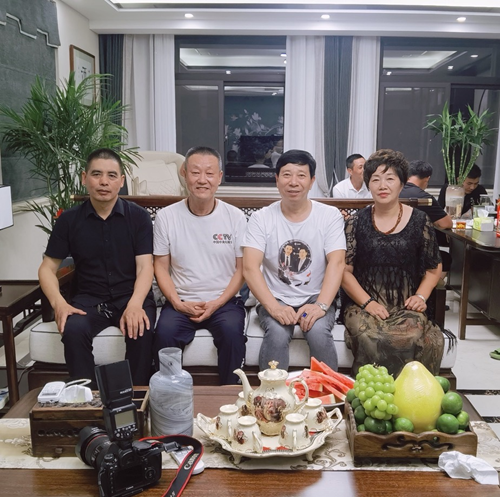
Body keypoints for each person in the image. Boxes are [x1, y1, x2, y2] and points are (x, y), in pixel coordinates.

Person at [38, 148, 156, 387]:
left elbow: (145, 267)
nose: (104, 182)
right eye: (96, 174)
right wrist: (59, 303)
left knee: (141, 329)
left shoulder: (139, 217)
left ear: (121, 181)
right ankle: (86, 400)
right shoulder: (69, 220)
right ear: (84, 178)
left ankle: (136, 398)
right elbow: (47, 269)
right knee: (73, 329)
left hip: (131, 296)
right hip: (88, 300)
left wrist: (135, 304)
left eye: (111, 175)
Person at [341, 149, 445, 377]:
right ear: (368, 185)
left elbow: (433, 267)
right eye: (375, 179)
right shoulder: (355, 222)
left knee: (412, 335)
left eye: (390, 179)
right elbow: (344, 271)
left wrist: (420, 297)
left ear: (401, 183)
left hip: (405, 304)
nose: (382, 186)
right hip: (362, 304)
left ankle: (408, 392)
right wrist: (368, 303)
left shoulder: (420, 220)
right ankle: (371, 391)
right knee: (367, 334)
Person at [243, 149, 346, 371]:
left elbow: (337, 263)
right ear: (277, 179)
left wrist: (320, 305)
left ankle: (329, 391)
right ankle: (272, 391)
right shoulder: (261, 218)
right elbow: (250, 267)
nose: (293, 182)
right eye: (287, 175)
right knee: (277, 332)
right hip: (276, 296)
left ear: (312, 181)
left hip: (316, 295)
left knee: (318, 331)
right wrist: (274, 308)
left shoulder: (329, 216)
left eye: (301, 175)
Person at [153, 146, 247, 385]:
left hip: (224, 302)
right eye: (195, 172)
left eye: (209, 173)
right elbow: (160, 267)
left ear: (219, 177)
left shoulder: (235, 217)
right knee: (164, 334)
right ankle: (171, 395)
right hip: (181, 301)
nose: (202, 180)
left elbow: (242, 269)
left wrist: (218, 302)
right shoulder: (166, 217)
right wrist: (177, 302)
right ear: (184, 174)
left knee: (232, 334)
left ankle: (231, 396)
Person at [400, 160, 453, 276]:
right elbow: (446, 224)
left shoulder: (395, 191)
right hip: (414, 252)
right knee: (445, 258)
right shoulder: (424, 198)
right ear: (427, 179)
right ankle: (433, 285)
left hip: (393, 247)